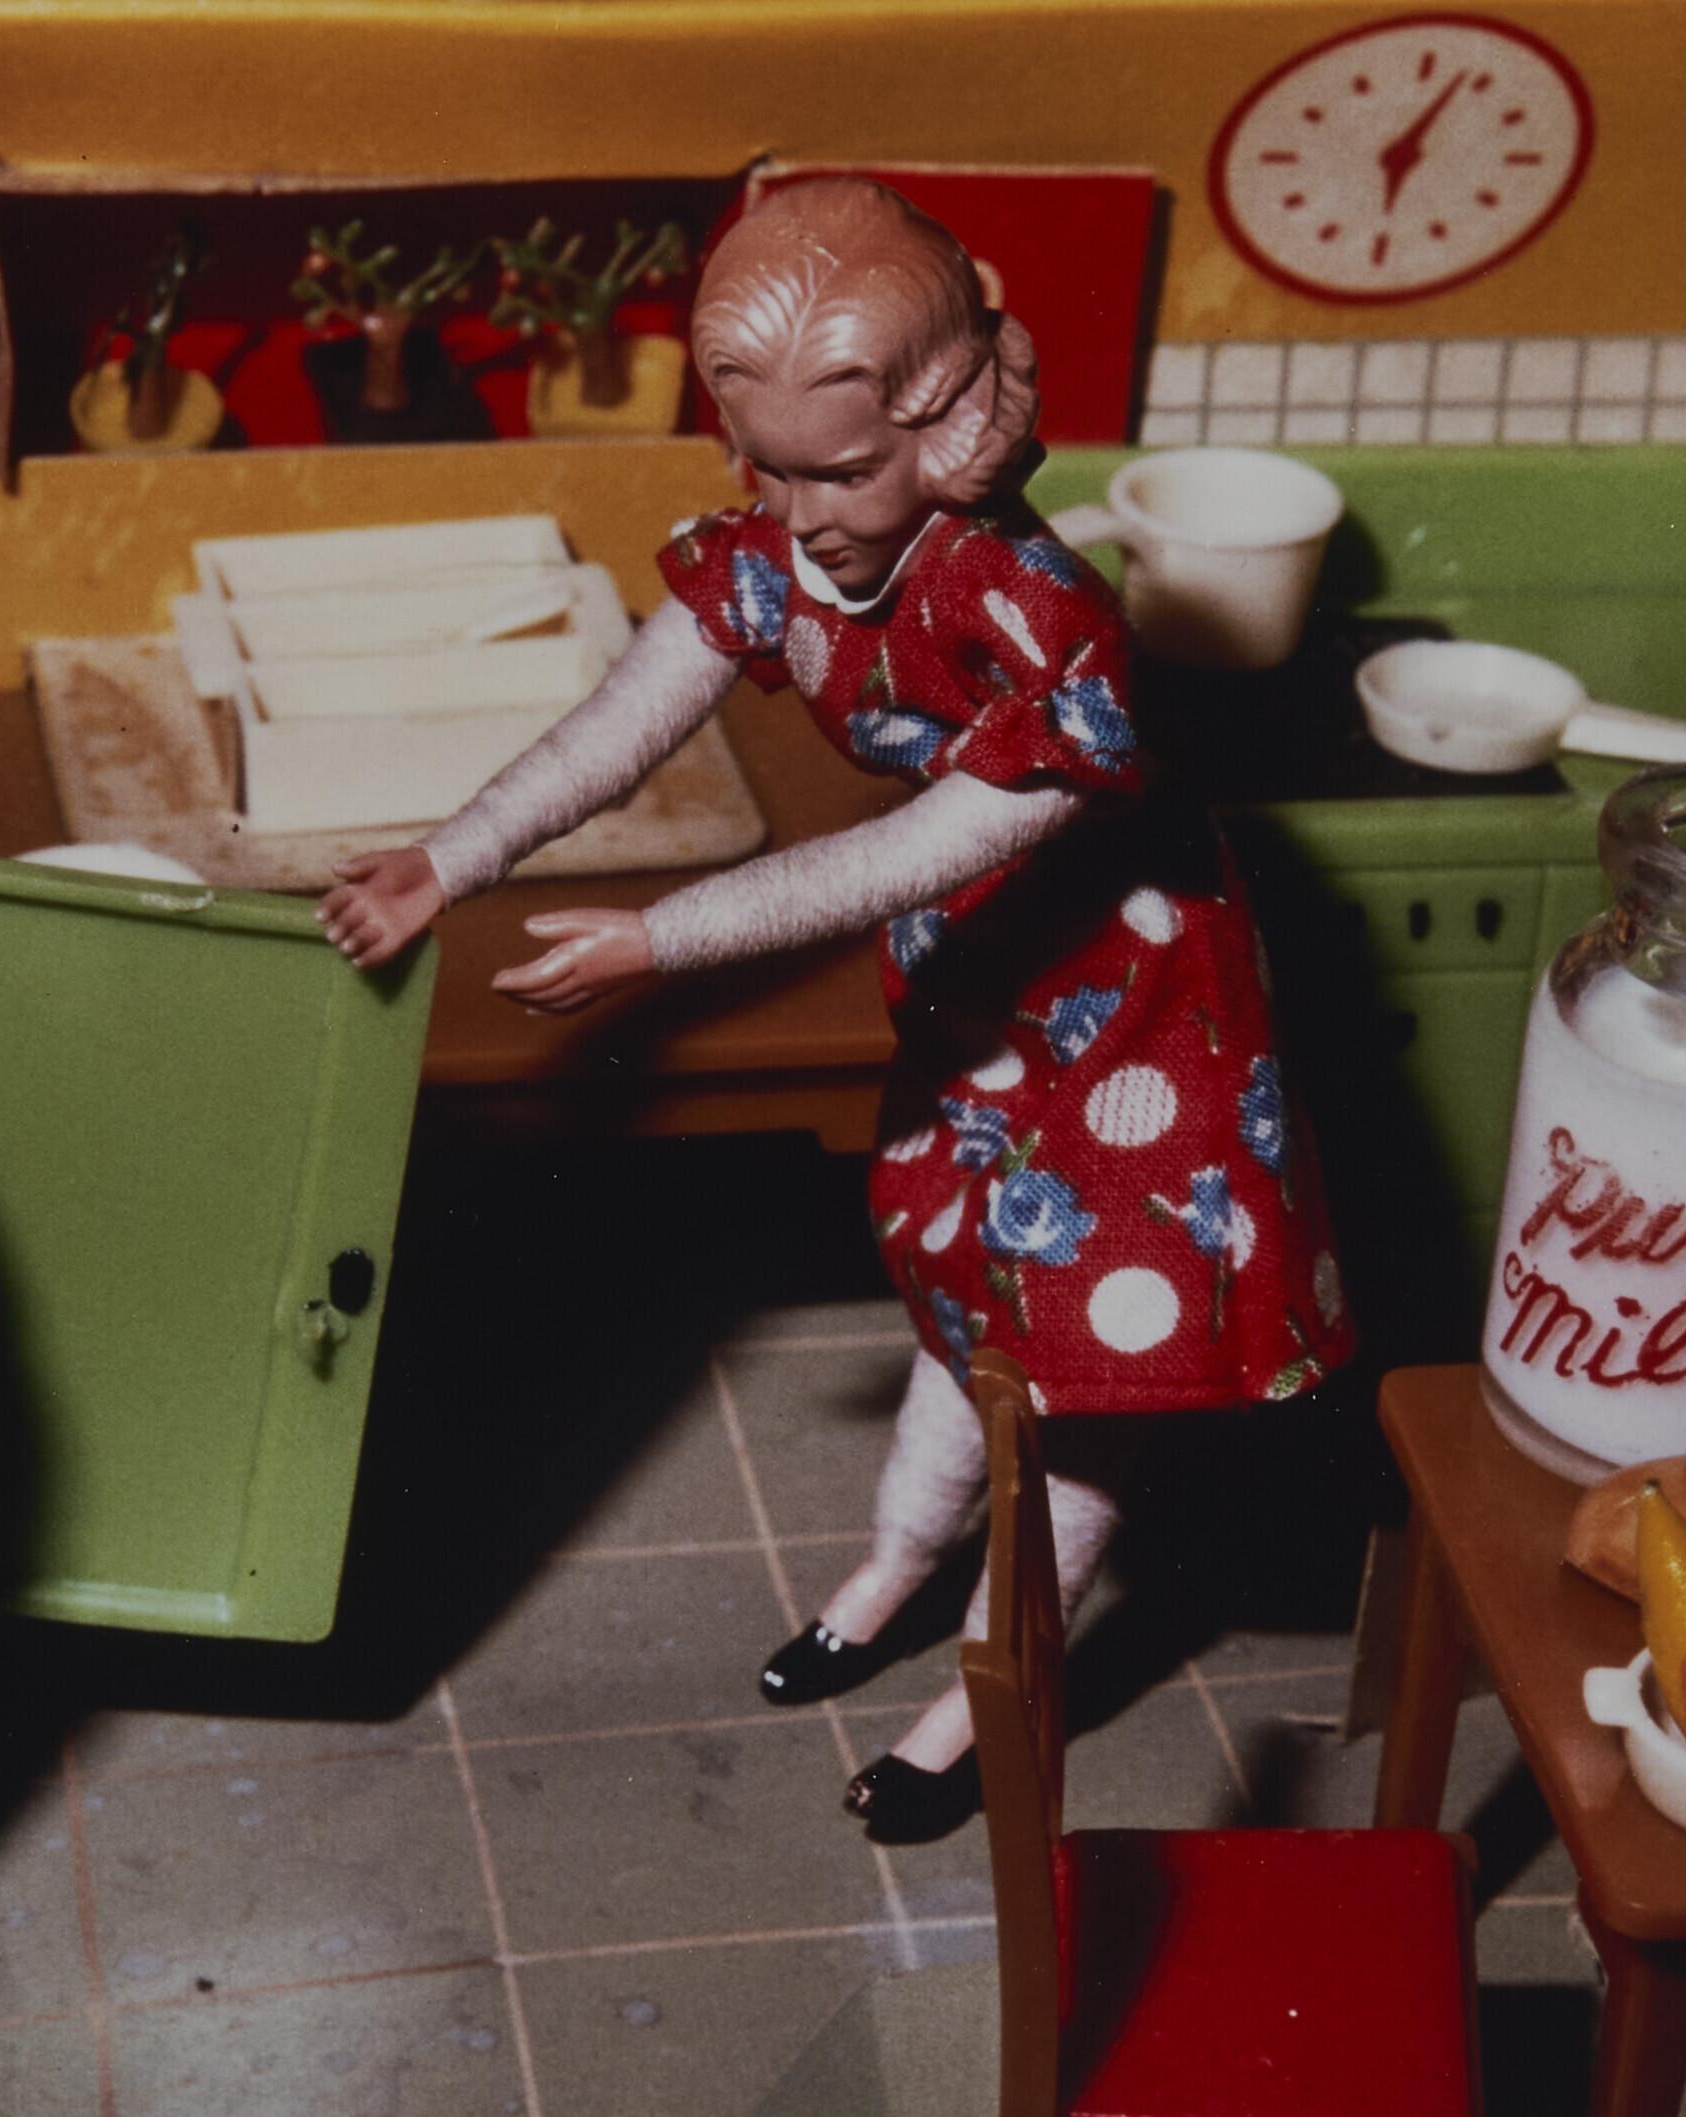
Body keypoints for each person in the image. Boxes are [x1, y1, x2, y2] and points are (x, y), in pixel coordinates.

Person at [319, 178, 1352, 1842]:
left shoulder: (1043, 621)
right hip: (985, 972)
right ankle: (892, 1566)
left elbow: (911, 851)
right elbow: (624, 722)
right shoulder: (782, 551)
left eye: (843, 471)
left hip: (1137, 1004)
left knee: (1084, 1375)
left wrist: (664, 937)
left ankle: (991, 1685)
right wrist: (451, 859)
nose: (800, 516)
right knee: (961, 1289)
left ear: (951, 430)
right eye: (768, 467)